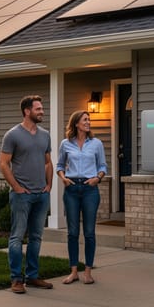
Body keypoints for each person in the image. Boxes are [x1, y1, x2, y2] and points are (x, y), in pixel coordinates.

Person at [0, 95, 54, 294]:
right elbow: (3, 163)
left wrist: (49, 185)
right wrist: (16, 187)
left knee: (36, 237)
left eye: (42, 108)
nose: (42, 112)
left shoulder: (45, 135)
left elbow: (47, 162)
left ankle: (32, 276)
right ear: (27, 111)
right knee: (17, 237)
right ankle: (16, 279)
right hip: (21, 195)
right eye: (38, 109)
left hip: (41, 195)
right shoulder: (12, 135)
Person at [56, 110, 107, 285]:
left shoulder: (96, 143)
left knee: (89, 232)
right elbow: (59, 165)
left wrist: (97, 178)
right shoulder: (65, 143)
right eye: (85, 120)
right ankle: (73, 272)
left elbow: (103, 166)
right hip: (71, 190)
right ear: (76, 123)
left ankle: (88, 272)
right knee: (72, 233)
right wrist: (63, 178)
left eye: (89, 120)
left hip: (89, 190)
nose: (88, 122)